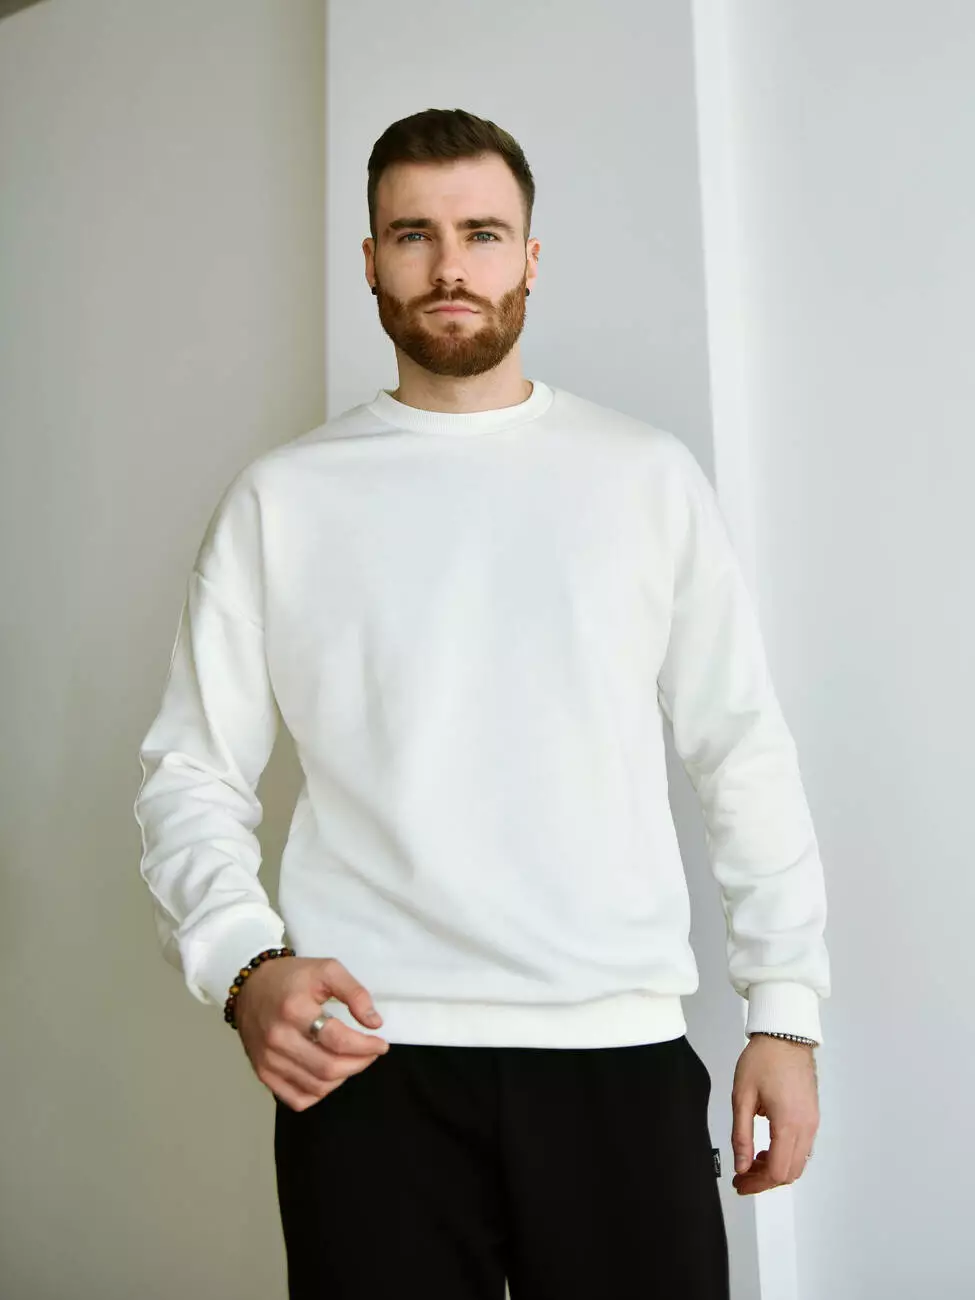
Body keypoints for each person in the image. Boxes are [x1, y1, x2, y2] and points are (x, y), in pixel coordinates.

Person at [134, 107, 829, 1300]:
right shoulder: (282, 501)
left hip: (612, 1047)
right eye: (414, 234)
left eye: (483, 233)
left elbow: (741, 749)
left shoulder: (646, 478)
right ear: (370, 261)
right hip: (370, 1059)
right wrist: (245, 966)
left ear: (530, 258)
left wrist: (786, 1010)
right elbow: (189, 772)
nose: (450, 265)